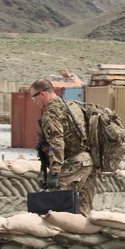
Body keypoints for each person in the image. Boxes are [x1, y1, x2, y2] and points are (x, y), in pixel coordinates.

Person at [30, 78, 96, 215]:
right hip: (89, 162)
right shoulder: (72, 105)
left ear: (42, 94)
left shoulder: (51, 113)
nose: (34, 102)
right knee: (84, 208)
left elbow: (56, 143)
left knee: (56, 201)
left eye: (33, 97)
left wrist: (54, 172)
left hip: (75, 162)